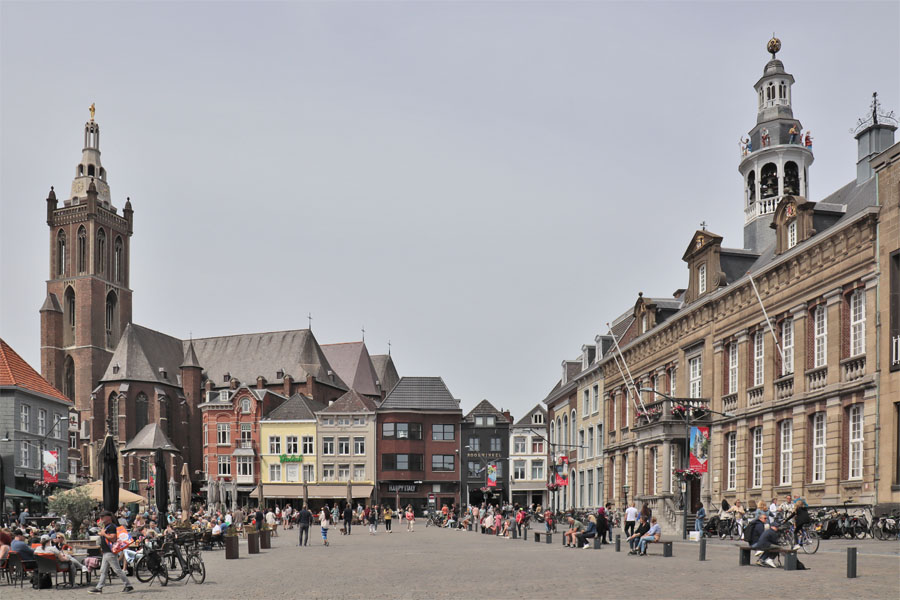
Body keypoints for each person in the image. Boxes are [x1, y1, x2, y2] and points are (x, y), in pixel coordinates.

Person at [88, 510, 133, 594]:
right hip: (106, 551)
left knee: (117, 570)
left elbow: (113, 538)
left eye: (102, 517)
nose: (101, 518)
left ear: (108, 518)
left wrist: (103, 534)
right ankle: (99, 588)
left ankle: (128, 585)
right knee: (103, 571)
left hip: (110, 551)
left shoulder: (111, 527)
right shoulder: (106, 526)